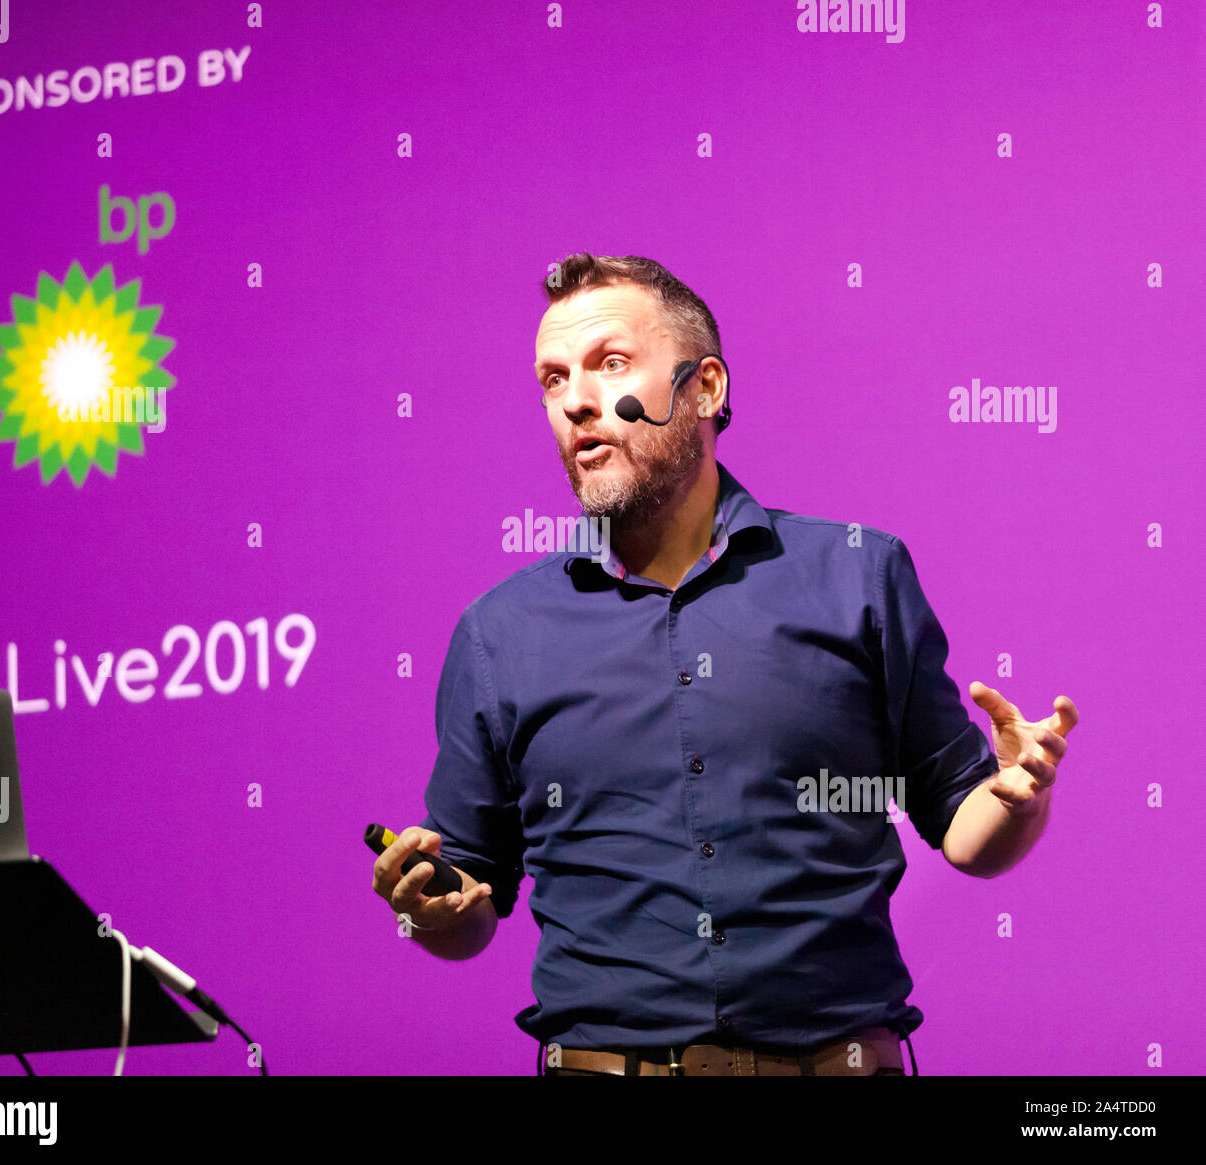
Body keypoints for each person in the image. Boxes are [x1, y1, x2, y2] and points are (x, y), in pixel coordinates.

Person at [371, 253, 1076, 1077]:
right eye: (552, 380)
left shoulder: (858, 574)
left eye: (610, 364)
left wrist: (1018, 801)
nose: (575, 400)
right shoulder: (498, 631)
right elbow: (470, 900)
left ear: (705, 387)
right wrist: (428, 909)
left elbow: (964, 827)